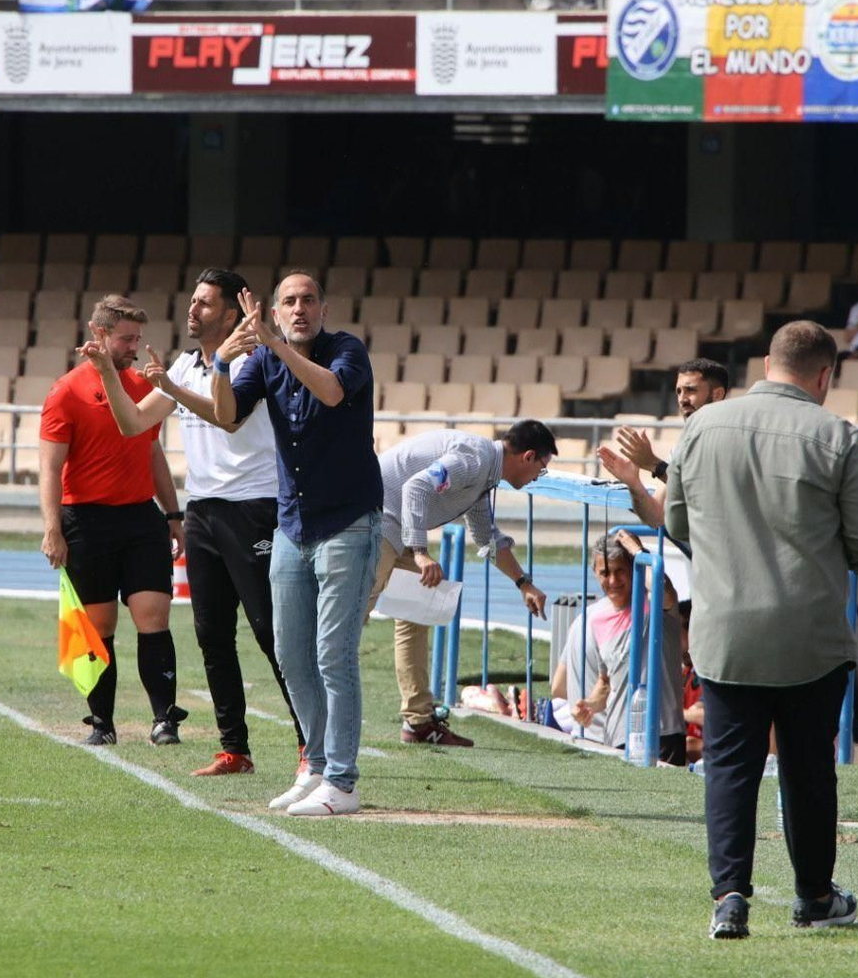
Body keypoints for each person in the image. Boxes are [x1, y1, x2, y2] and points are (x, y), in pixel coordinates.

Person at [665, 321, 858, 941]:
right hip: (808, 633)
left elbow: (678, 524)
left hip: (725, 631)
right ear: (825, 376)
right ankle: (814, 895)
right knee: (809, 770)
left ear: (766, 364)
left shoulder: (702, 427)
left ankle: (729, 896)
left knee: (729, 768)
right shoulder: (837, 435)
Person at [82, 268, 304, 779]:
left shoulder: (253, 360)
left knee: (271, 633)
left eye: (205, 303)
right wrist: (108, 373)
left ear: (230, 314)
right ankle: (234, 750)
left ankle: (310, 744)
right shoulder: (184, 364)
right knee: (212, 635)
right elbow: (133, 423)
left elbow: (229, 417)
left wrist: (171, 387)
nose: (193, 309)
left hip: (254, 508)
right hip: (203, 509)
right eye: (194, 300)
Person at [212, 273, 384, 817]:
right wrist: (221, 363)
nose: (299, 308)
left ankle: (343, 782)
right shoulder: (265, 358)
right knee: (290, 652)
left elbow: (331, 392)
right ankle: (315, 767)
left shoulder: (347, 351)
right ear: (277, 311)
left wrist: (274, 344)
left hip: (349, 523)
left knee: (334, 654)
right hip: (292, 525)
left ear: (323, 308)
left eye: (308, 300)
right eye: (289, 301)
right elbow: (227, 417)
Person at [39, 295, 187, 747]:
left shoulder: (142, 386)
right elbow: (49, 468)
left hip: (141, 519)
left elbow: (153, 453)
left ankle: (164, 720)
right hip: (86, 523)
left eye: (138, 339)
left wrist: (173, 514)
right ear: (98, 334)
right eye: (126, 339)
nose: (134, 348)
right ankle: (102, 722)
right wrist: (53, 529)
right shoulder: (66, 392)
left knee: (153, 615)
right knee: (99, 627)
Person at [368, 421, 556, 746]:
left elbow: (486, 539)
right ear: (528, 456)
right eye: (542, 467)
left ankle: (418, 722)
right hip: (377, 517)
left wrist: (523, 583)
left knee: (415, 618)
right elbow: (416, 488)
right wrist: (421, 552)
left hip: (399, 524)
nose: (539, 476)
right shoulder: (476, 459)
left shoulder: (483, 476)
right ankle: (313, 704)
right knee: (349, 617)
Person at [548, 531, 686, 765]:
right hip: (617, 737)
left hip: (663, 733)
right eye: (605, 573)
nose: (612, 581)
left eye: (620, 571)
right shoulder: (596, 619)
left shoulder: (654, 603)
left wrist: (639, 553)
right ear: (595, 572)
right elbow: (605, 683)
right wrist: (590, 705)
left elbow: (662, 586)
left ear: (633, 569)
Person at [596, 358, 729, 528]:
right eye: (679, 392)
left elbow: (702, 494)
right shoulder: (683, 445)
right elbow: (656, 517)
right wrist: (634, 485)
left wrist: (653, 464)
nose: (682, 399)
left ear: (717, 394)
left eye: (690, 390)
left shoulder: (732, 440)